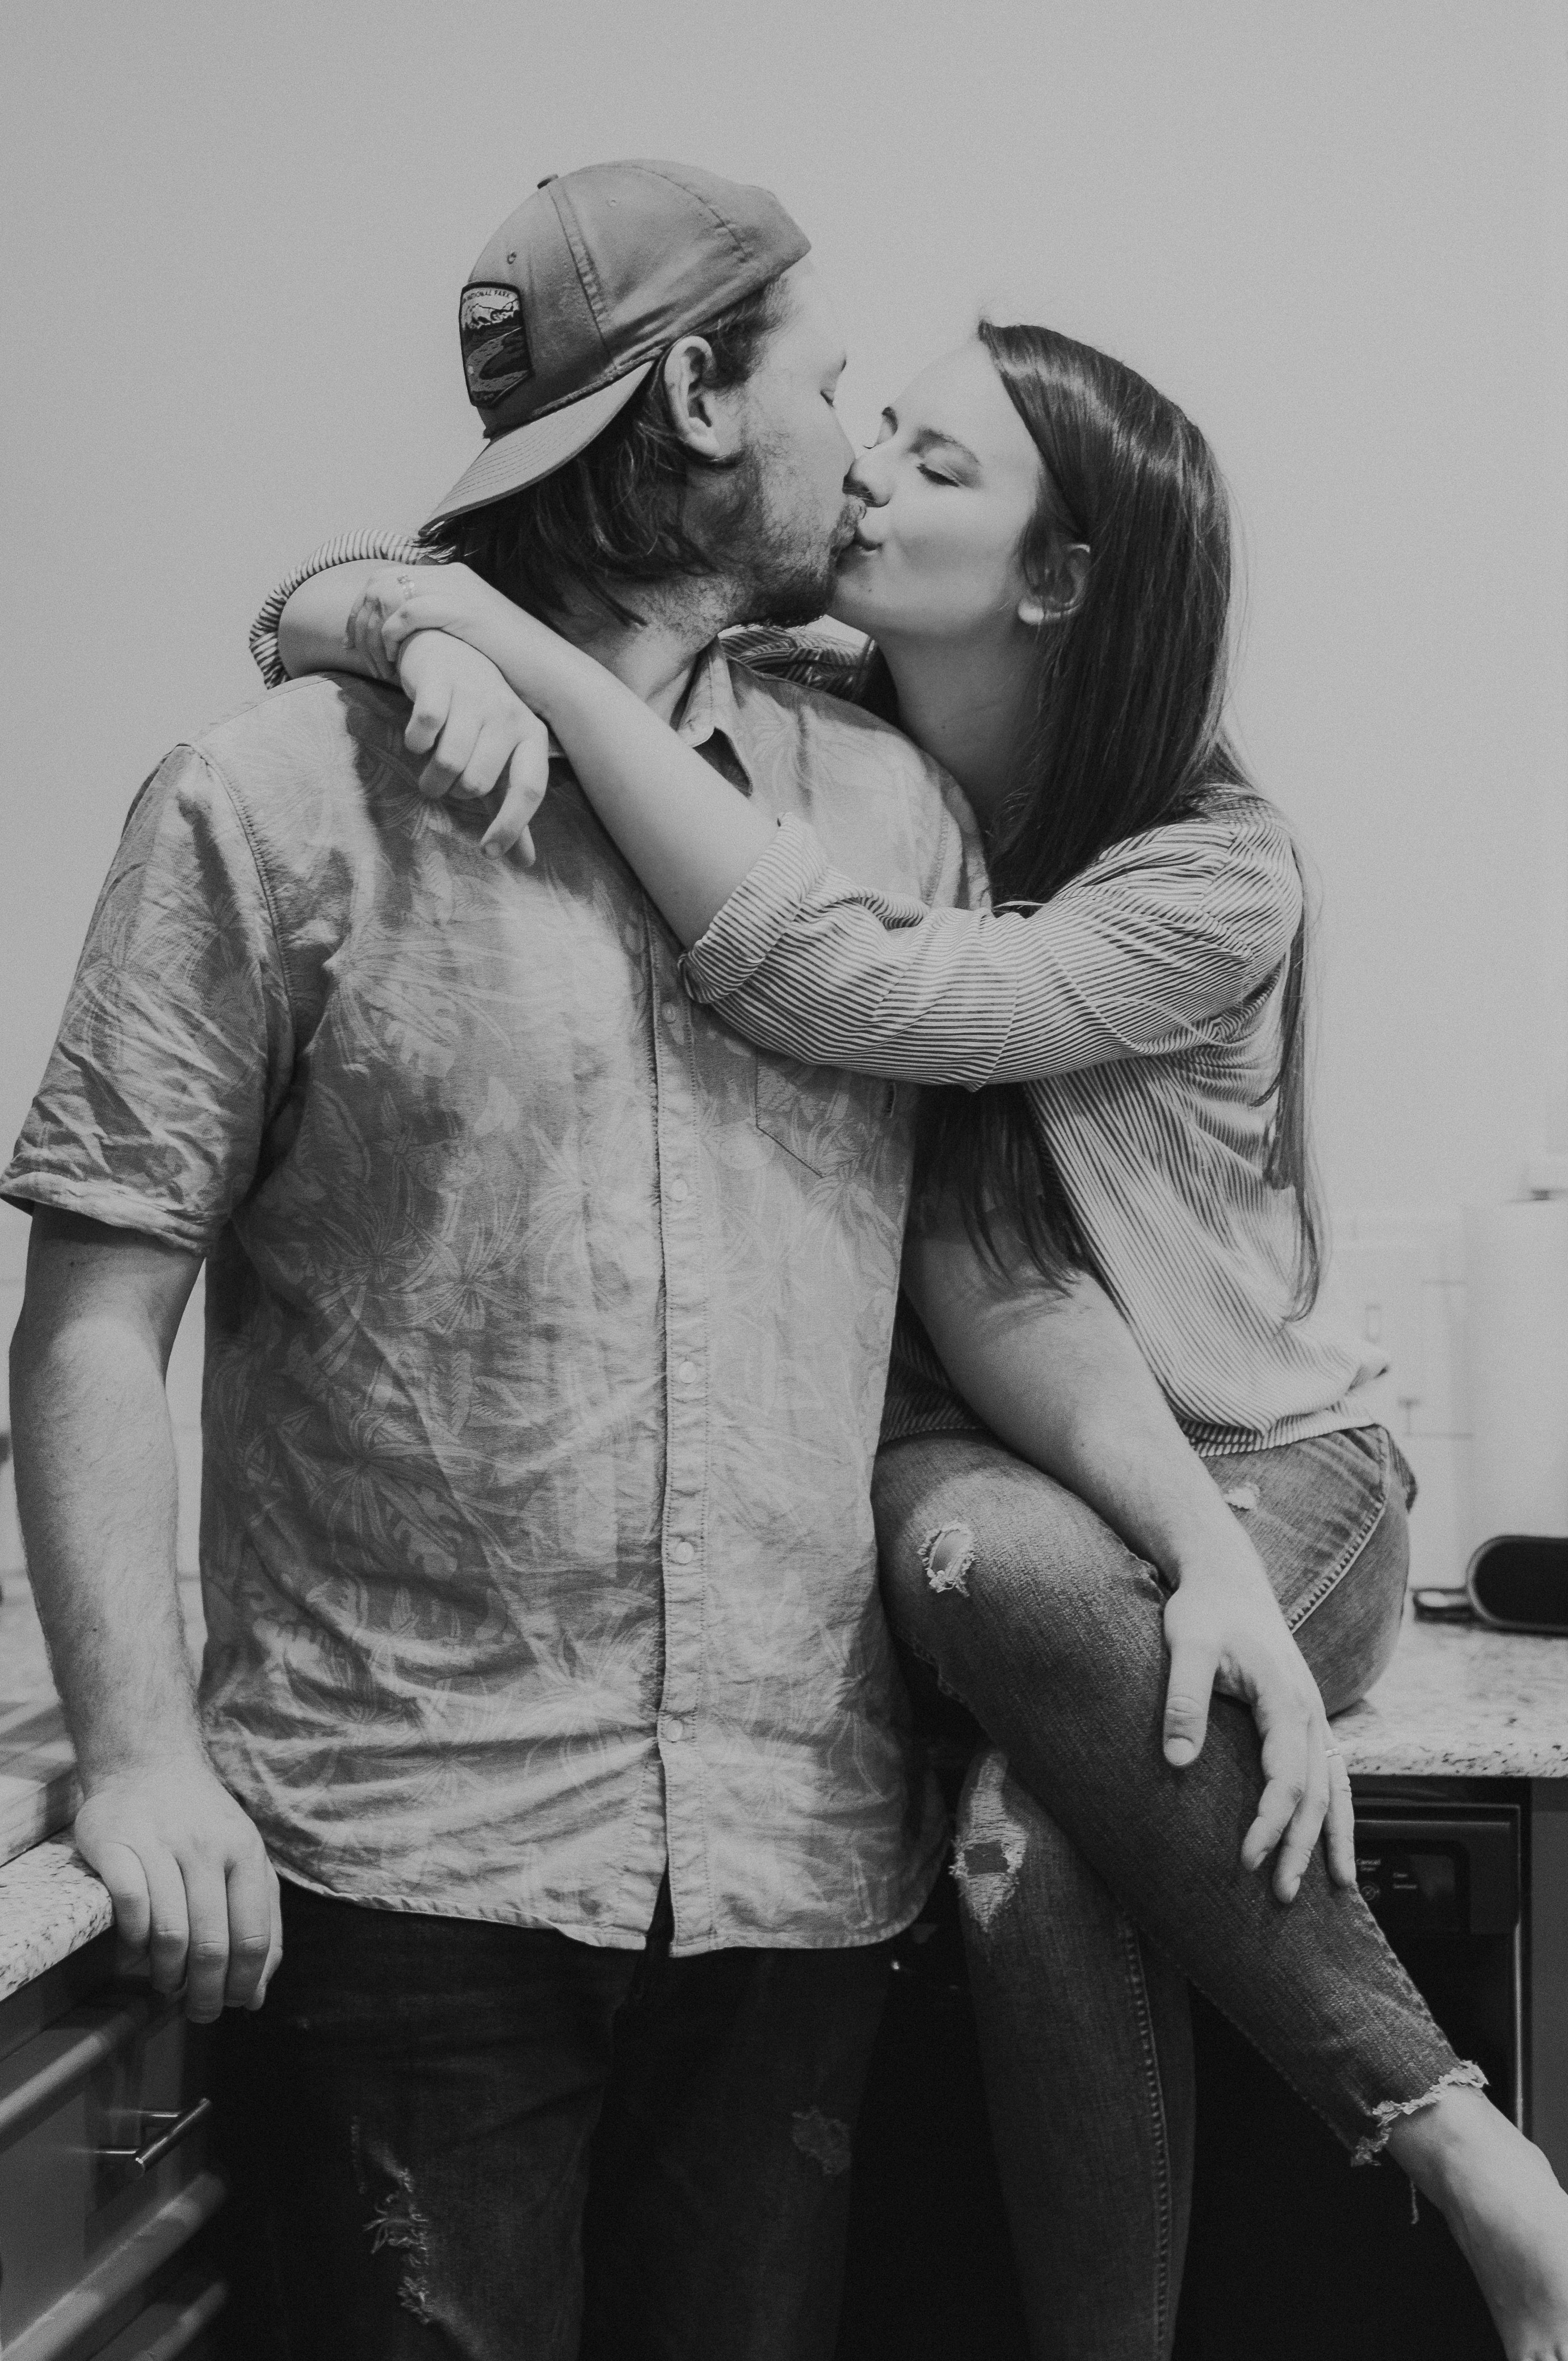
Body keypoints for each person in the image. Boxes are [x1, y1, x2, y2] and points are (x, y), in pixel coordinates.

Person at [3, 162, 1309, 2361]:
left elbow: (986, 1264)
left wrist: (1207, 1540)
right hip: (408, 1871)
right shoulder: (272, 802)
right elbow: (97, 1315)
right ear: (698, 396)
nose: (854, 436)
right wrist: (138, 1744)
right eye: (820, 379)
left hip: (799, 1872)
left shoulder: (885, 817)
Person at [270, 320, 1568, 2359]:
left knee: (1031, 1822)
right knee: (976, 1600)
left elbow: (856, 995)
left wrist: (1220, 1565)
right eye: (872, 426)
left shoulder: (1210, 872)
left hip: (1263, 1470)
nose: (860, 469)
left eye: (934, 463)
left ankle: (1457, 2146)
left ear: (1053, 582)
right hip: (994, 1457)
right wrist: (435, 639)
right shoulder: (814, 721)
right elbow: (333, 592)